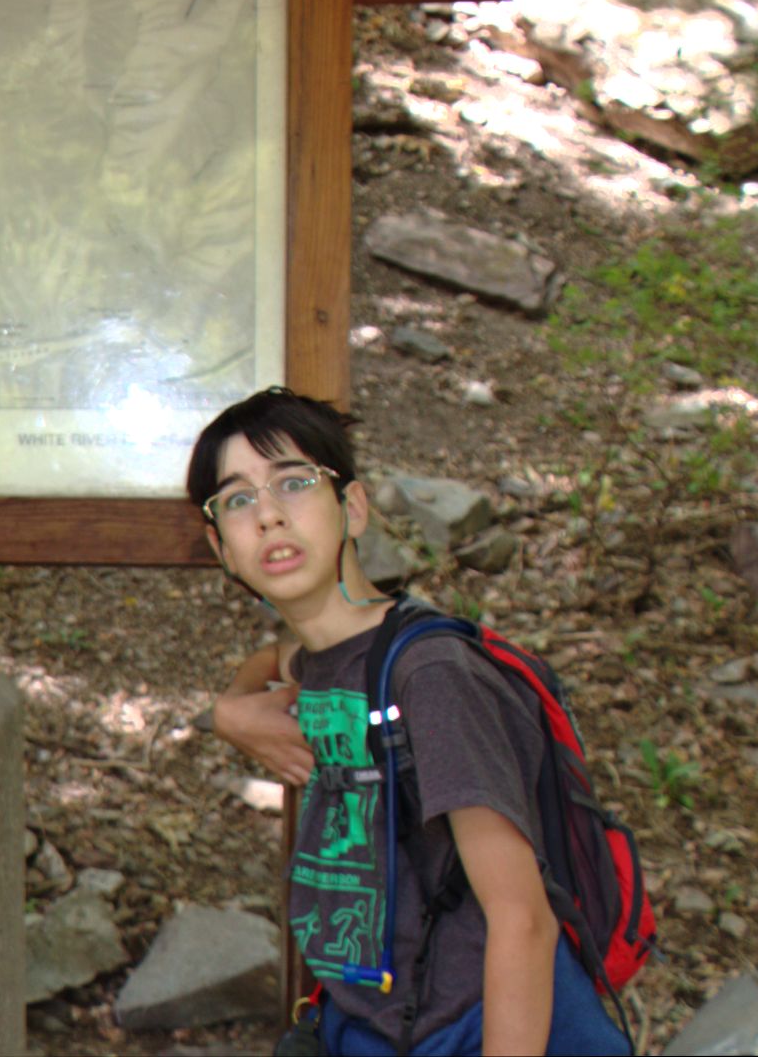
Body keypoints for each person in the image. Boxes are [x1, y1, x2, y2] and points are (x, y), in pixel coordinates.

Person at [188, 387, 626, 1056]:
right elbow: (278, 657)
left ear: (353, 507)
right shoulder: (322, 654)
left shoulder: (432, 675)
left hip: (476, 1024)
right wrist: (230, 711)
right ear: (222, 546)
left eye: (295, 483)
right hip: (372, 1021)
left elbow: (522, 918)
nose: (269, 515)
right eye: (239, 498)